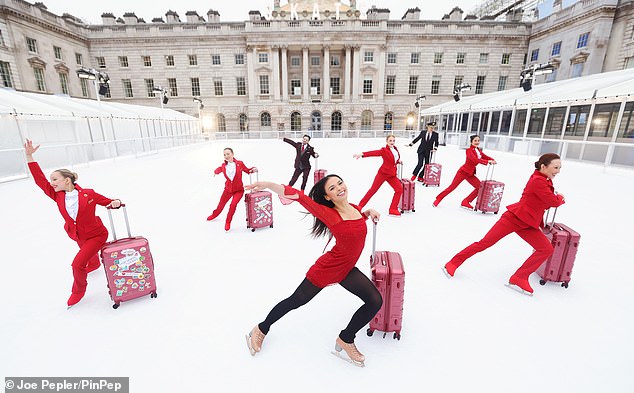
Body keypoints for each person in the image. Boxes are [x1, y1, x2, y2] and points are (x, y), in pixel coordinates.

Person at [244, 175, 382, 367]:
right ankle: (261, 328)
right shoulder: (330, 214)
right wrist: (267, 185)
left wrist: (367, 212)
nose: (339, 188)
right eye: (332, 188)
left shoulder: (355, 208)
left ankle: (346, 338)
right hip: (327, 269)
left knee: (375, 300)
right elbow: (299, 197)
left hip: (346, 269)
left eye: (340, 183)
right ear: (327, 197)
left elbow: (356, 224)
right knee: (295, 301)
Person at [442, 153, 566, 296]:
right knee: (485, 243)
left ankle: (519, 277)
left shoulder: (545, 179)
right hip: (513, 219)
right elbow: (552, 201)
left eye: (560, 168)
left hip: (528, 223)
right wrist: (560, 197)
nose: (558, 171)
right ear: (543, 166)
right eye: (556, 167)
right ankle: (453, 263)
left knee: (545, 248)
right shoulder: (538, 180)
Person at [24, 139, 122, 307]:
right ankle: (94, 263)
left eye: (55, 179)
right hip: (76, 235)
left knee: (77, 265)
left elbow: (109, 201)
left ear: (67, 180)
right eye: (51, 180)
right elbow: (39, 180)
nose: (52, 182)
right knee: (88, 257)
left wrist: (116, 202)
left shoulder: (88, 194)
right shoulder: (57, 195)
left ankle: (78, 291)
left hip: (96, 235)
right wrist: (29, 156)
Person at [433, 134, 496, 209]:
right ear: (471, 141)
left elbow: (484, 156)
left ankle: (466, 202)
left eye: (478, 140)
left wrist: (492, 159)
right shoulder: (469, 151)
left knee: (480, 187)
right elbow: (474, 159)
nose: (477, 142)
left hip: (470, 173)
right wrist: (487, 161)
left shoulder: (478, 150)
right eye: (475, 140)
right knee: (452, 187)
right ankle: (438, 199)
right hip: (463, 172)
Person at [207, 147, 257, 231]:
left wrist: (253, 169)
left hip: (239, 190)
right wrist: (215, 171)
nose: (226, 156)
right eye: (224, 155)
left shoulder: (240, 163)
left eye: (228, 154)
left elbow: (247, 170)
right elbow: (219, 169)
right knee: (221, 204)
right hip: (228, 190)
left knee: (233, 205)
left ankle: (228, 222)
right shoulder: (224, 165)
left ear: (232, 154)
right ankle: (214, 215)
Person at [353, 134, 403, 216]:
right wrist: (362, 154)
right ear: (386, 141)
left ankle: (393, 209)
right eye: (390, 141)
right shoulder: (384, 150)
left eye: (393, 141)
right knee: (373, 190)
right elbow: (374, 153)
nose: (392, 142)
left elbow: (394, 159)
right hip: (383, 173)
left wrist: (398, 161)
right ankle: (359, 206)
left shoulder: (395, 149)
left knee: (399, 189)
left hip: (392, 174)